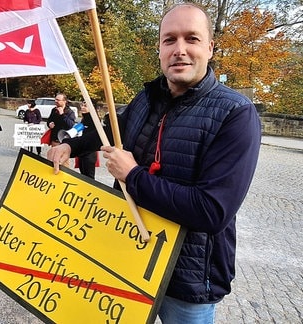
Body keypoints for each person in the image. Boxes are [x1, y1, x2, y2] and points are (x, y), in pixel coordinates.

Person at [47, 4, 261, 323]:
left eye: (192, 38)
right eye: (169, 40)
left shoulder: (236, 114)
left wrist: (132, 176)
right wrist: (70, 144)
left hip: (186, 282)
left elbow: (212, 210)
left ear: (210, 47)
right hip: (126, 260)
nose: (180, 50)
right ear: (159, 49)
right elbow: (111, 129)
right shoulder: (147, 97)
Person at [74, 102, 98, 179]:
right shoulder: (84, 118)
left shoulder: (93, 119)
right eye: (82, 105)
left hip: (89, 152)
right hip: (82, 151)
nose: (82, 107)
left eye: (85, 106)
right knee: (83, 175)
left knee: (89, 177)